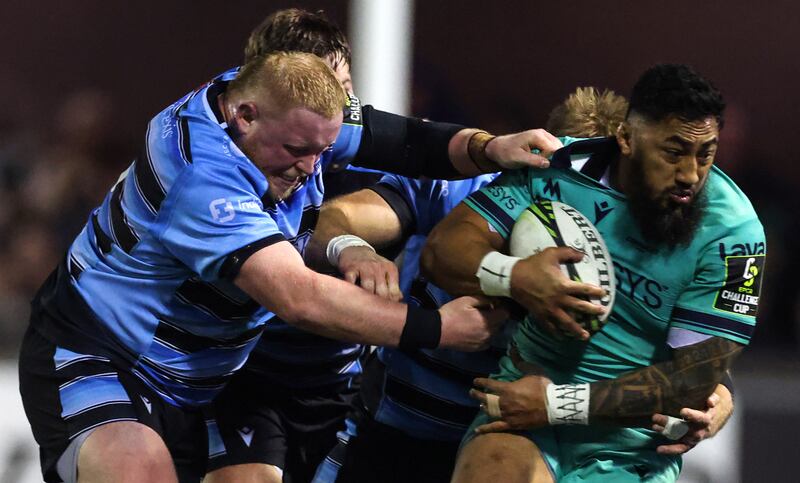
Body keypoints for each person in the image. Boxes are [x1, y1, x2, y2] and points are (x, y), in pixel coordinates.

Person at [18, 49, 564, 483]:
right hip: (102, 354)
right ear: (244, 117)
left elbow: (401, 139)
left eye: (323, 151)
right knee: (140, 472)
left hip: (206, 378)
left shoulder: (272, 107)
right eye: (299, 151)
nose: (310, 168)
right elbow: (298, 298)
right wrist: (438, 327)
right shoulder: (202, 175)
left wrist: (490, 148)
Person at [308, 84, 733, 482]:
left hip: (517, 438)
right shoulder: (461, 192)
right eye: (577, 181)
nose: (591, 209)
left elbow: (684, 354)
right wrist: (354, 249)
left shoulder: (638, 243)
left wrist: (719, 395)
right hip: (393, 432)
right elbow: (330, 221)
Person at [421, 64, 763, 482]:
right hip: (521, 405)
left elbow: (694, 378)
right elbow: (441, 251)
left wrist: (557, 405)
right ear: (626, 138)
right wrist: (515, 276)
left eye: (705, 154)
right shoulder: (557, 168)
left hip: (630, 442)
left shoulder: (733, 233)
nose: (690, 174)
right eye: (673, 153)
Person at [204, 10, 386, 483]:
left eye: (345, 88)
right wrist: (439, 330)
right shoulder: (215, 178)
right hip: (245, 378)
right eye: (322, 91)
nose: (340, 108)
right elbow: (297, 281)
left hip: (343, 384)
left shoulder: (368, 161)